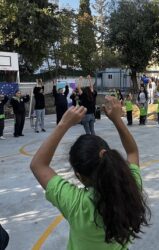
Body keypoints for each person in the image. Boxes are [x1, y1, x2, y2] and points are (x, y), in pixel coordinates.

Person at [30, 99, 150, 250]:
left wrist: (63, 124)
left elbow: (38, 165)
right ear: (107, 155)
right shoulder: (130, 186)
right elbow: (132, 152)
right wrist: (117, 119)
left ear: (79, 177)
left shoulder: (76, 203)